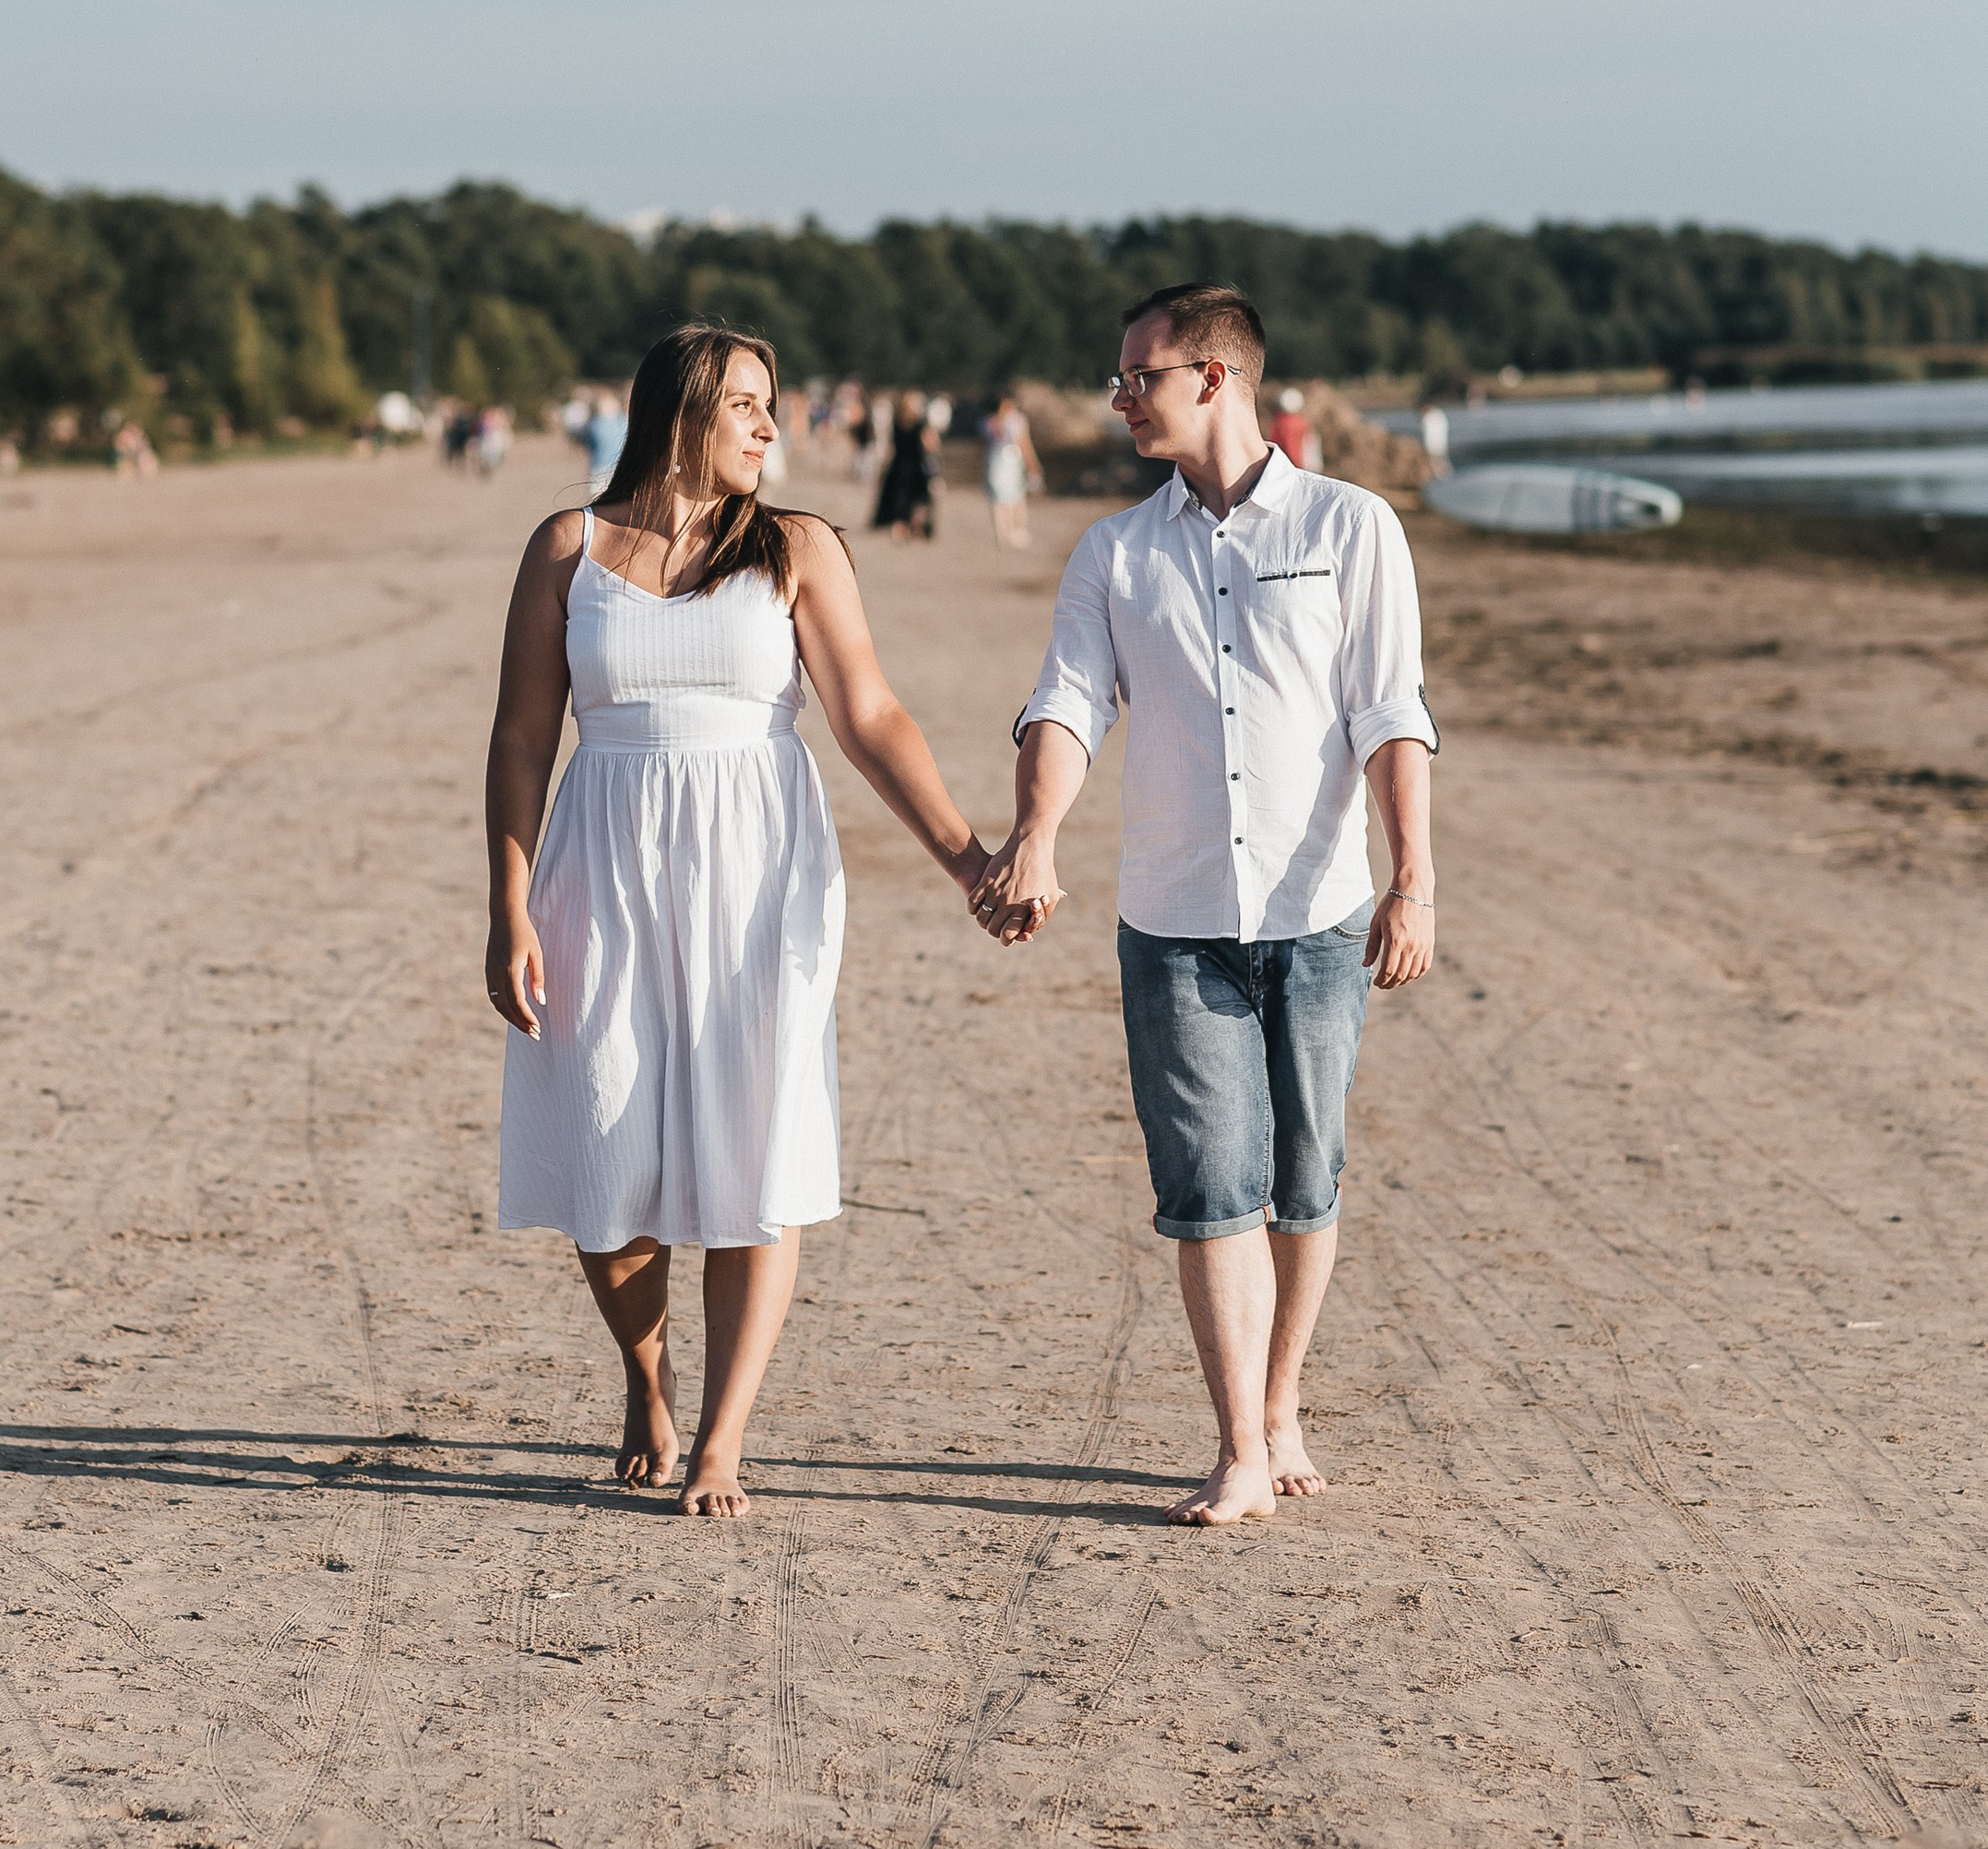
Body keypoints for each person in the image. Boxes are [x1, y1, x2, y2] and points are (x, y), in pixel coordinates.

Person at [485, 324, 989, 1517]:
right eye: (749, 405)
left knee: (754, 1142)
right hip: (599, 859)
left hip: (758, 865)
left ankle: (723, 1437)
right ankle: (648, 1377)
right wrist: (505, 901)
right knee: (605, 1135)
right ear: (681, 412)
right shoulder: (570, 546)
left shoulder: (798, 549)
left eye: (776, 406)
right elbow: (520, 735)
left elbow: (870, 716)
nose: (773, 427)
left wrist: (970, 860)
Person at [973, 284, 1436, 1532]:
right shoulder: (1115, 552)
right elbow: (1068, 703)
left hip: (1325, 910)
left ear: (1215, 378)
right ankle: (1239, 1444)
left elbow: (1390, 712)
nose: (1120, 398)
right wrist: (1037, 833)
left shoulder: (1353, 528)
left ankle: (1282, 1401)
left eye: (1140, 376)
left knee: (1305, 1174)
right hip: (1174, 917)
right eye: (1121, 379)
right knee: (1209, 1180)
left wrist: (1414, 882)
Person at [872, 391, 934, 541]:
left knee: (899, 499)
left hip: (898, 465)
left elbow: (891, 447)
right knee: (920, 499)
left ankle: (899, 529)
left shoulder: (897, 423)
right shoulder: (920, 424)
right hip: (916, 466)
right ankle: (917, 531)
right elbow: (930, 446)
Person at [982, 393, 1042, 548]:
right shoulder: (1014, 421)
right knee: (1012, 498)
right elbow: (1024, 443)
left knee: (1003, 498)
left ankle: (1005, 533)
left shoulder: (988, 422)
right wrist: (1033, 465)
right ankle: (1011, 532)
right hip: (1008, 461)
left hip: (998, 461)